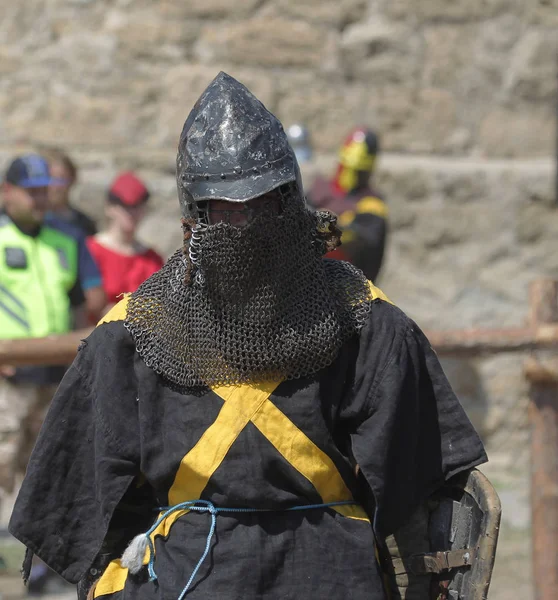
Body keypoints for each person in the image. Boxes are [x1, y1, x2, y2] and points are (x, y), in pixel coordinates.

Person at [9, 74, 488, 600]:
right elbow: (74, 504)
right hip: (193, 575)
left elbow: (425, 486)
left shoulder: (363, 321)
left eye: (262, 204)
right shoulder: (133, 335)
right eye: (227, 208)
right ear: (196, 216)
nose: (246, 224)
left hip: (330, 574)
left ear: (291, 203)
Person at [0, 154, 104, 594]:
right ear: (7, 192)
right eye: (32, 190)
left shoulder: (68, 239)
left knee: (48, 471)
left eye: (46, 189)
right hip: (6, 377)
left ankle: (35, 568)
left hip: (56, 379)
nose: (41, 198)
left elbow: (87, 302)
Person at [308, 127, 388, 282]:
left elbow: (362, 240)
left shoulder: (371, 205)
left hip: (346, 287)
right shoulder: (319, 191)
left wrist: (331, 225)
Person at [86, 172, 164, 309]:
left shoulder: (153, 259)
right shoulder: (90, 251)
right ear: (109, 207)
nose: (131, 213)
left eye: (137, 206)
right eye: (124, 206)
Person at [43, 147, 98, 237]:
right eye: (50, 178)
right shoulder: (36, 221)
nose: (55, 186)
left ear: (72, 180)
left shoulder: (85, 225)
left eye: (61, 179)